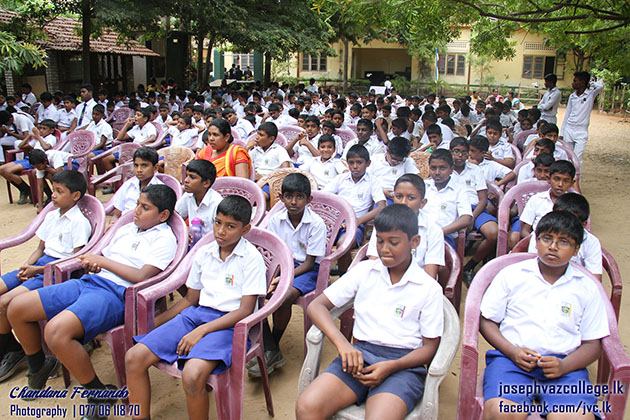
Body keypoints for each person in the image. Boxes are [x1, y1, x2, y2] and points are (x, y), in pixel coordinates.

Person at [6, 184, 178, 412]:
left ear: (163, 215)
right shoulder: (127, 228)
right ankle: (39, 365)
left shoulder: (164, 238)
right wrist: (96, 264)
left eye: (145, 208)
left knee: (56, 332)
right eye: (137, 204)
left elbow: (141, 276)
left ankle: (97, 394)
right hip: (89, 283)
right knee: (16, 307)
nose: (136, 210)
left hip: (116, 294)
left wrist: (103, 262)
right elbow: (105, 256)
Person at [296, 204, 443, 420]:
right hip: (358, 357)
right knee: (307, 407)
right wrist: (343, 345)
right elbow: (316, 306)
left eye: (394, 242)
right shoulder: (365, 271)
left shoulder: (428, 288)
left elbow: (430, 347)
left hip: (403, 365)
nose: (384, 249)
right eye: (380, 241)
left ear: (414, 242)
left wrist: (393, 366)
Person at [126, 195, 265, 420]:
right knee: (134, 357)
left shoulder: (251, 259)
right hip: (196, 316)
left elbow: (245, 310)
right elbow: (190, 300)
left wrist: (201, 331)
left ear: (245, 229)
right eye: (218, 222)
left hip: (231, 324)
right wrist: (156, 323)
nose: (220, 231)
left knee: (192, 375)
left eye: (231, 226)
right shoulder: (204, 253)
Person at [480, 210, 608, 419]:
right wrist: (512, 352)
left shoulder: (586, 287)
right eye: (547, 238)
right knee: (503, 412)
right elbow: (487, 321)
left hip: (566, 368)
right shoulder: (512, 275)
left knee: (576, 416)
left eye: (564, 242)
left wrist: (565, 365)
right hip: (512, 363)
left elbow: (593, 345)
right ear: (536, 241)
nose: (553, 246)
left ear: (576, 249)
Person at [0, 170, 91, 382]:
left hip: (55, 273)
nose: (54, 195)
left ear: (75, 196)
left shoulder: (78, 221)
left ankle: (18, 354)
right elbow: (40, 249)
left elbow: (76, 262)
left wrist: (37, 270)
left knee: (4, 302)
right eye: (54, 189)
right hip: (39, 266)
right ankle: (13, 349)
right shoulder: (51, 215)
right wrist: (27, 265)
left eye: (60, 191)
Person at [248, 173, 327, 378]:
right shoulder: (276, 220)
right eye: (289, 196)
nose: (293, 202)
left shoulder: (316, 224)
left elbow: (310, 263)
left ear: (309, 200)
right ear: (281, 197)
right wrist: (275, 276)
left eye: (299, 197)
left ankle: (271, 345)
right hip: (281, 265)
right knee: (256, 293)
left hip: (306, 270)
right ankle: (271, 351)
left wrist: (284, 278)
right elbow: (274, 253)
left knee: (284, 297)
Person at [366, 174, 444, 279]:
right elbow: (374, 261)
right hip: (384, 281)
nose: (403, 203)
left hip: (418, 285)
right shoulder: (383, 224)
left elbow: (430, 275)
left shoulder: (433, 230)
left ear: (422, 203)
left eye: (411, 198)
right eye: (399, 197)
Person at [325, 144, 386, 273]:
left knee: (344, 244)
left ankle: (344, 276)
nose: (355, 166)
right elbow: (324, 197)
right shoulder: (340, 179)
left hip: (355, 225)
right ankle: (319, 276)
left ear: (368, 163)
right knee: (315, 238)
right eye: (351, 163)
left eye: (359, 162)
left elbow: (381, 207)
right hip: (334, 222)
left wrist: (357, 221)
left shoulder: (372, 181)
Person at [449, 138, 499, 284]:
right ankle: (450, 267)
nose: (460, 156)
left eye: (464, 152)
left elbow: (483, 199)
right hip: (453, 208)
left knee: (493, 233)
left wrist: (472, 217)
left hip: (474, 208)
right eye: (456, 151)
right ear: (450, 152)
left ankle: (469, 267)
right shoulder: (444, 168)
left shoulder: (475, 170)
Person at [526, 192, 601, 280]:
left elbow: (594, 280)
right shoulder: (540, 235)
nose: (553, 247)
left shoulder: (591, 242)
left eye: (564, 242)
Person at [423, 149, 473, 254]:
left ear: (451, 169)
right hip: (420, 234)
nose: (437, 172)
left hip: (444, 236)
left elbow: (466, 218)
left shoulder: (459, 190)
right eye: (433, 168)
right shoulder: (423, 186)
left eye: (442, 168)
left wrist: (439, 232)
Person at [520, 160, 576, 239]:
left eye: (566, 181)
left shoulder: (574, 204)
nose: (560, 184)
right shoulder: (536, 200)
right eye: (556, 179)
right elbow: (524, 231)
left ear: (572, 183)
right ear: (549, 179)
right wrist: (540, 241)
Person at [110, 147, 164, 226]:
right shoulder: (128, 185)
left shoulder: (160, 190)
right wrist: (113, 223)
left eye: (144, 166)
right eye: (136, 165)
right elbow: (117, 213)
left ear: (155, 168)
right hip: (123, 227)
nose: (139, 170)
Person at [560, 71, 604, 164]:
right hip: (569, 128)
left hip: (581, 131)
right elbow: (567, 114)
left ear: (583, 82)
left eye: (576, 81)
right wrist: (562, 132)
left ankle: (577, 178)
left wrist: (590, 83)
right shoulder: (572, 96)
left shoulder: (591, 94)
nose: (573, 83)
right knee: (568, 157)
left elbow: (600, 87)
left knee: (577, 159)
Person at [369, 136, 419, 203]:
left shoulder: (407, 161)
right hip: (374, 193)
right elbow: (366, 180)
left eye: (399, 161)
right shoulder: (375, 159)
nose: (396, 162)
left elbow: (417, 180)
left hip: (396, 197)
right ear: (387, 151)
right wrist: (382, 192)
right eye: (393, 159)